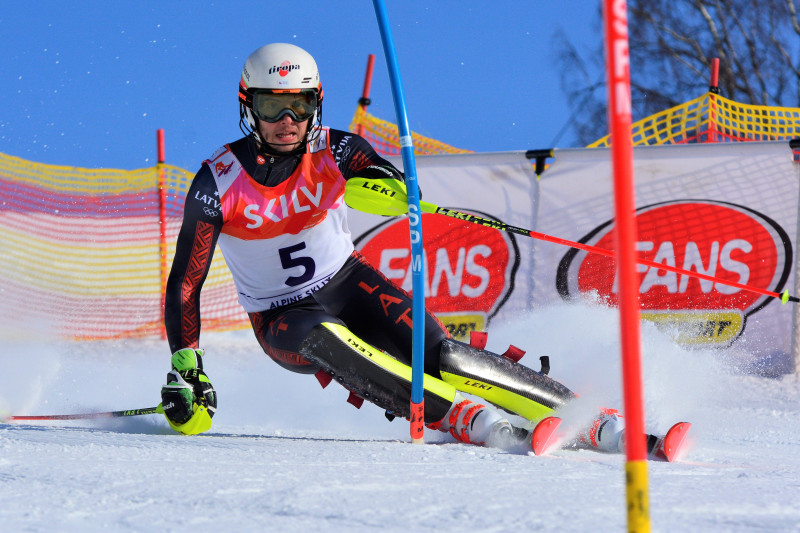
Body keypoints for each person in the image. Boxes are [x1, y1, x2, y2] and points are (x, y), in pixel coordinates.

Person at [159, 43, 625, 452]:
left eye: (299, 105)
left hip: (348, 283)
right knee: (326, 336)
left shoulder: (335, 150)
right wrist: (187, 365)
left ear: (315, 103)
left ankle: (591, 418)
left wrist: (393, 187)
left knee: (443, 356)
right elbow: (186, 281)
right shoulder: (217, 183)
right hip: (281, 317)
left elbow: (375, 169)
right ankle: (466, 419)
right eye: (271, 105)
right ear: (248, 105)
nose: (288, 121)